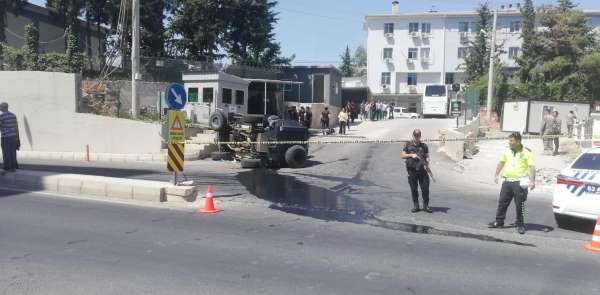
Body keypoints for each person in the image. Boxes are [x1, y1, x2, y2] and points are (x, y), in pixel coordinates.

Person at [489, 132, 536, 235]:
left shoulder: (526, 152)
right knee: (502, 202)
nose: (509, 142)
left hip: (520, 182)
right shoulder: (506, 151)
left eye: (511, 141)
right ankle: (499, 221)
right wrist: (496, 174)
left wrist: (532, 181)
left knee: (520, 205)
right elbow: (501, 162)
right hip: (507, 181)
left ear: (518, 141)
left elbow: (532, 167)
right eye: (509, 140)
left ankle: (520, 224)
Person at [400, 129, 433, 213]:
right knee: (414, 189)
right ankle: (416, 206)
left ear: (420, 136)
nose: (416, 137)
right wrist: (411, 155)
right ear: (413, 136)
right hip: (412, 171)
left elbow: (427, 156)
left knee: (425, 189)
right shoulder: (407, 145)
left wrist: (427, 161)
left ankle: (426, 206)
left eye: (418, 136)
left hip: (423, 171)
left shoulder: (424, 146)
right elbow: (402, 155)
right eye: (415, 135)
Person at [0, 102, 20, 173]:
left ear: (4, 107)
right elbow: (16, 127)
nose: (0, 108)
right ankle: (13, 166)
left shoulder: (1, 116)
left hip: (5, 137)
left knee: (6, 152)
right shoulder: (13, 115)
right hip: (13, 136)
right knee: (13, 152)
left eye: (1, 107)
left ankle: (7, 167)